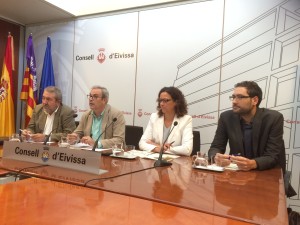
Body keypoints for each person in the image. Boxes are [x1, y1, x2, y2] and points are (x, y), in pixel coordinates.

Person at [208, 81, 286, 172]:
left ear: (255, 100)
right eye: (233, 97)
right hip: (238, 173)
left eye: (240, 97)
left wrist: (253, 163)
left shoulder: (273, 118)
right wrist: (215, 157)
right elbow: (216, 147)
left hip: (266, 172)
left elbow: (272, 156)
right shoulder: (226, 117)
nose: (234, 101)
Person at [139, 86, 193, 156]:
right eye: (160, 100)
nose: (161, 103)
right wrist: (158, 148)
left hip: (175, 164)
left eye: (166, 100)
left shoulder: (186, 120)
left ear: (176, 102)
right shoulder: (154, 117)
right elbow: (142, 143)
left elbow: (187, 149)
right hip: (154, 160)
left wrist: (158, 146)